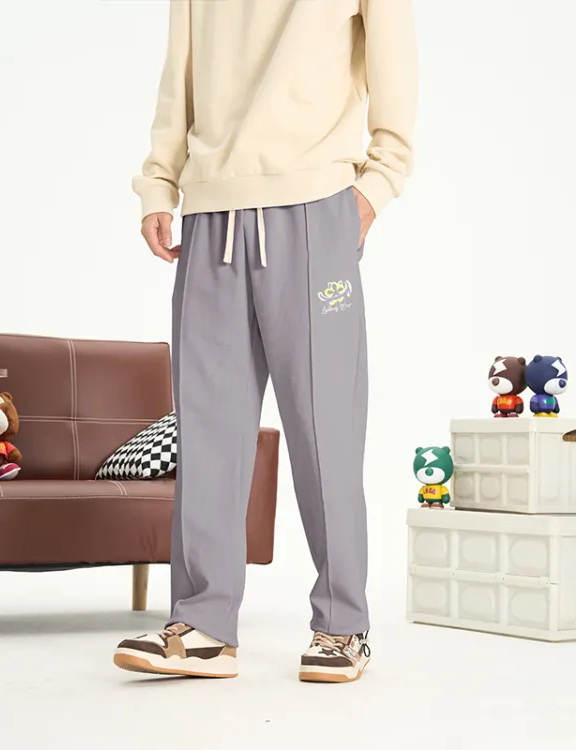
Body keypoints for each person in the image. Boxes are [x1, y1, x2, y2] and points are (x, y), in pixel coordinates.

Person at [113, 0, 417, 684]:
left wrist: (374, 188)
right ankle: (203, 625)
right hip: (210, 213)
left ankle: (343, 625)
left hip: (315, 208)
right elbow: (180, 77)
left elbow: (395, 71)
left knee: (324, 429)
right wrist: (159, 183)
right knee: (207, 433)